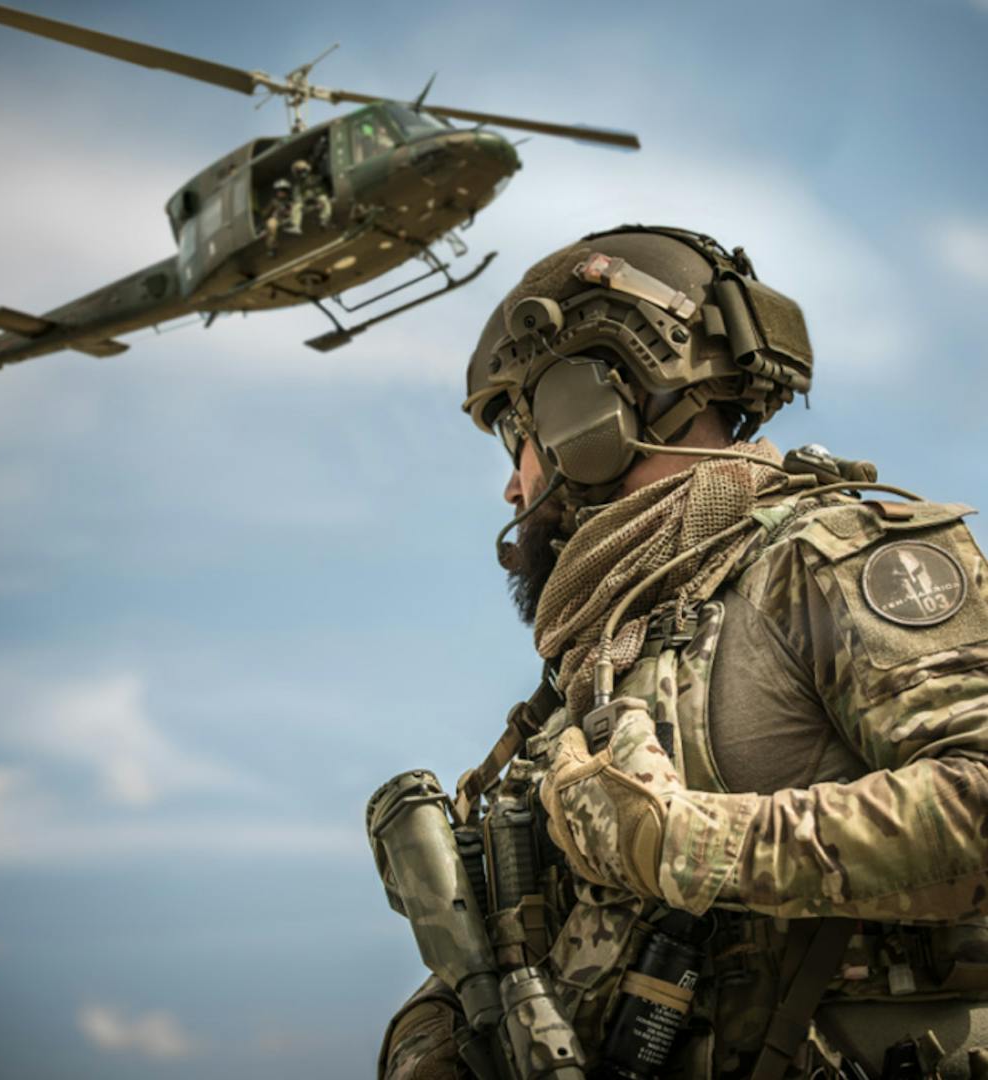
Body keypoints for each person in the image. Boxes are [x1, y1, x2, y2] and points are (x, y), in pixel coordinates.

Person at [377, 226, 988, 1079]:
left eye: (515, 433)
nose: (514, 485)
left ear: (585, 411)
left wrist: (687, 847)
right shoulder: (613, 647)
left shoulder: (828, 557)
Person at [289, 158, 332, 235]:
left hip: (317, 202)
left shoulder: (315, 178)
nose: (302, 173)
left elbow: (321, 191)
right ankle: (296, 226)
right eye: (299, 172)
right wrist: (307, 200)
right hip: (306, 205)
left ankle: (324, 220)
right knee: (296, 205)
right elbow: (297, 198)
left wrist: (317, 202)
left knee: (324, 199)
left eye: (303, 170)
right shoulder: (297, 186)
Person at [263, 177, 294, 254]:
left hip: (289, 219)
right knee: (271, 224)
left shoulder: (290, 200)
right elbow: (265, 214)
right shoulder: (273, 202)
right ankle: (272, 248)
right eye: (279, 191)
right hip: (277, 220)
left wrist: (288, 212)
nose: (281, 192)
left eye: (283, 190)